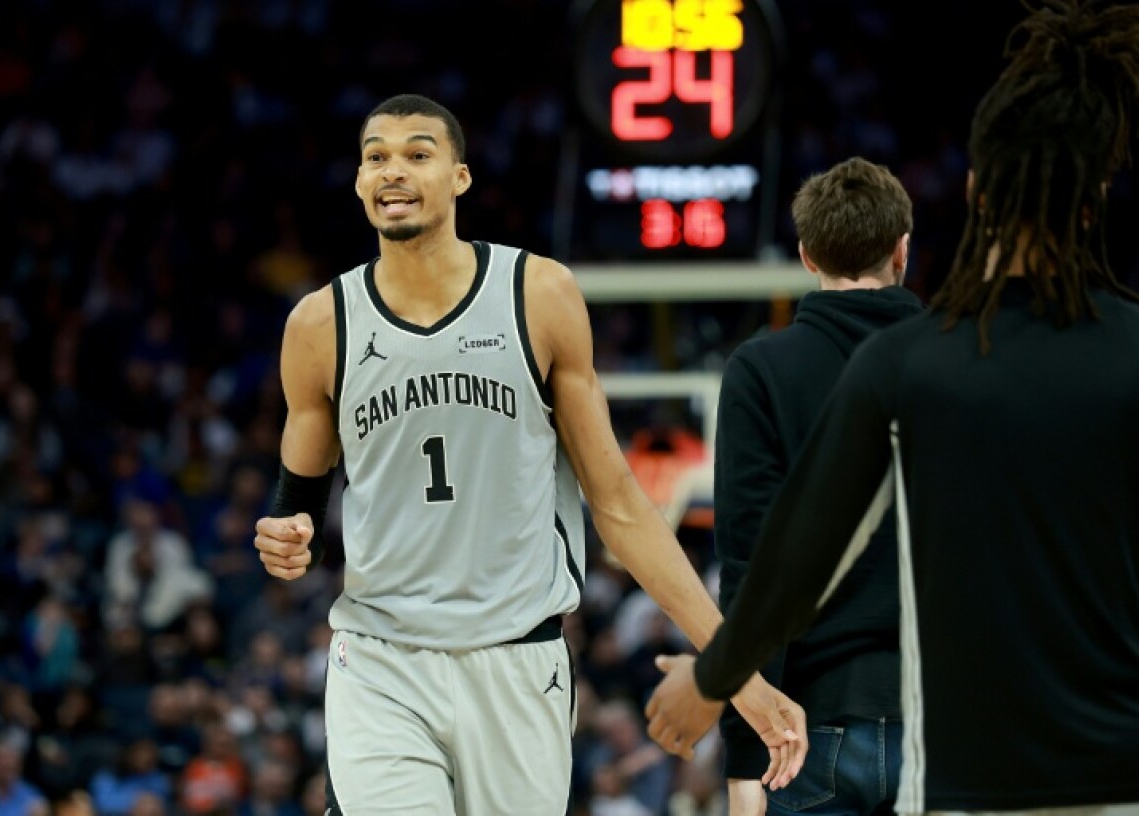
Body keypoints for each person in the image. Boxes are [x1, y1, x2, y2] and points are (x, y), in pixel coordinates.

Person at [644, 1, 1139, 814]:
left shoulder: (912, 363)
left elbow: (793, 560)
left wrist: (712, 678)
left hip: (976, 778)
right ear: (1095, 198)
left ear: (974, 191)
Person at [251, 93, 806, 815]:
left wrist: (735, 666)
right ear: (358, 182)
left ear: (460, 177)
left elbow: (619, 505)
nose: (394, 170)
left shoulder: (538, 293)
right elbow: (295, 504)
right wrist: (282, 538)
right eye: (376, 157)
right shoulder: (320, 324)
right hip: (382, 659)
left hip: (519, 660)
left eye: (418, 154)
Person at [715, 157, 922, 816]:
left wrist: (745, 757)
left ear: (806, 256)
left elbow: (751, 569)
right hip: (948, 721)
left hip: (804, 729)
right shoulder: (966, 360)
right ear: (902, 249)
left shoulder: (760, 370)